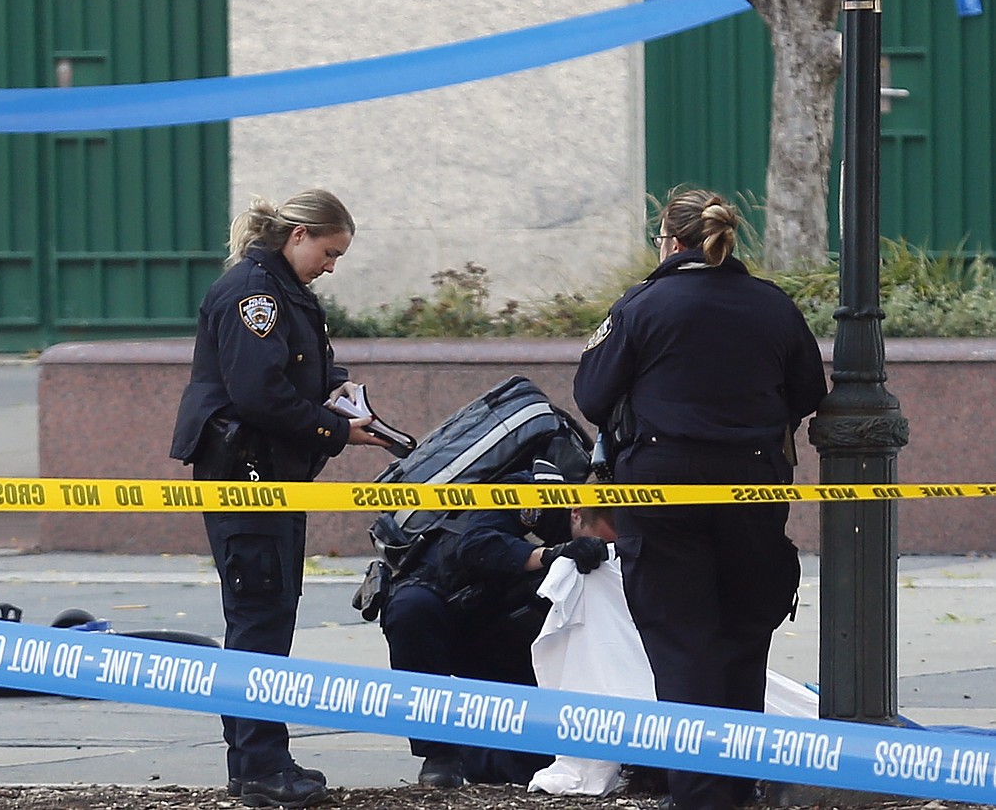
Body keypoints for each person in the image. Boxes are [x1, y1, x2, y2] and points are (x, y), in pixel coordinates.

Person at [572, 187, 827, 810]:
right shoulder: (773, 305)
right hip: (753, 486)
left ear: (671, 241)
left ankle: (700, 796)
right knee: (743, 635)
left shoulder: (642, 306)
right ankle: (735, 790)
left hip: (661, 492)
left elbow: (593, 395)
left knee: (683, 642)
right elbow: (809, 390)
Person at [169, 188, 387, 809]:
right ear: (297, 235)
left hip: (272, 473)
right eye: (329, 251)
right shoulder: (253, 294)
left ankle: (259, 760)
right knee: (260, 617)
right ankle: (260, 767)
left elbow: (292, 373)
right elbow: (258, 392)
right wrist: (334, 429)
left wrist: (338, 393)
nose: (331, 264)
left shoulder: (283, 291)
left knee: (268, 616)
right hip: (247, 474)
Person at [380, 458, 616, 789]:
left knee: (546, 764)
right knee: (410, 610)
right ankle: (440, 755)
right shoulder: (537, 492)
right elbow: (476, 544)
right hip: (449, 606)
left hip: (515, 635)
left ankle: (474, 754)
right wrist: (553, 554)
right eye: (599, 541)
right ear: (576, 513)